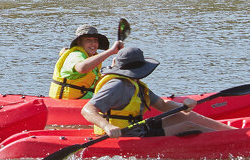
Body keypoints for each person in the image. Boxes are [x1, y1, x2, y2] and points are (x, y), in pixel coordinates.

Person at [81, 46, 235, 138]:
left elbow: (162, 105)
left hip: (138, 128)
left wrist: (185, 105)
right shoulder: (116, 85)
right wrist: (107, 126)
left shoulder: (136, 84)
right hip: (126, 135)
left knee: (186, 115)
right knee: (187, 126)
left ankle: (235, 133)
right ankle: (233, 141)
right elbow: (87, 109)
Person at [49, 24, 123, 100]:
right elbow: (82, 68)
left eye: (95, 40)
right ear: (79, 42)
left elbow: (97, 84)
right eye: (88, 40)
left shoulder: (91, 58)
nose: (93, 44)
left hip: (82, 101)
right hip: (66, 103)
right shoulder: (75, 55)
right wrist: (111, 51)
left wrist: (113, 69)